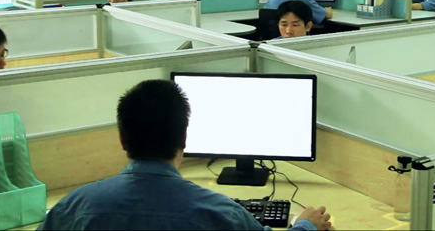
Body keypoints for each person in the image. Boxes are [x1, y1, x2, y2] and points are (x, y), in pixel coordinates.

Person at [38, 79, 332, 231]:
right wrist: (305, 225)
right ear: (184, 139)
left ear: (122, 140)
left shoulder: (76, 206)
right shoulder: (219, 212)